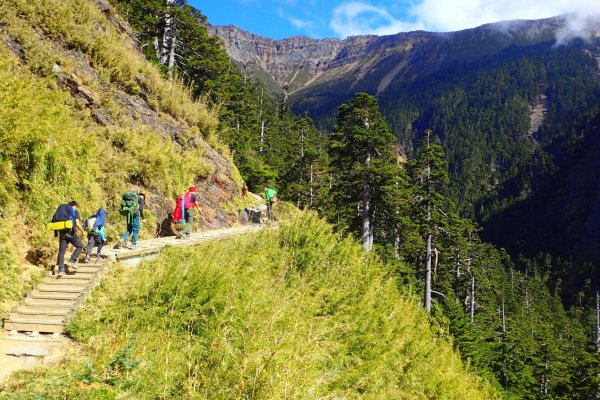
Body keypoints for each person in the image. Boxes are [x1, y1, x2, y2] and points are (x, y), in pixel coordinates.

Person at [53, 201, 84, 277]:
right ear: (74, 206)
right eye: (76, 207)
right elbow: (77, 223)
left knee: (61, 251)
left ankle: (61, 270)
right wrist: (82, 231)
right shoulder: (74, 211)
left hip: (62, 233)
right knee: (80, 246)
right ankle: (71, 261)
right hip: (71, 233)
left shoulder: (61, 209)